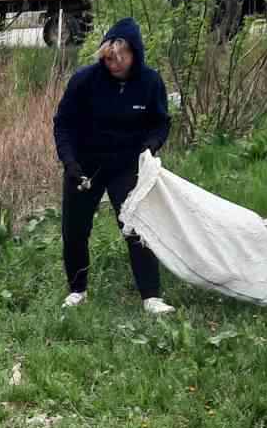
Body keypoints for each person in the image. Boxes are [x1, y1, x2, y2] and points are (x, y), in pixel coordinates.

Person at [52, 16, 175, 315]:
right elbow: (63, 124)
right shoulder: (84, 81)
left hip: (126, 165)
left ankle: (151, 296)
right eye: (109, 58)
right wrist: (70, 162)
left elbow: (161, 123)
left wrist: (150, 147)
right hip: (85, 165)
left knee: (137, 227)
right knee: (75, 229)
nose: (115, 64)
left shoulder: (150, 82)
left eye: (121, 58)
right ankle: (77, 290)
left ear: (135, 54)